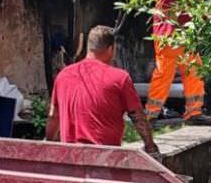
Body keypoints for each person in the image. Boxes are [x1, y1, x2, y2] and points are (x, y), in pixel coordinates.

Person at [46, 25, 159, 154]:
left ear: (89, 48)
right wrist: (150, 145)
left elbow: (53, 116)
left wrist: (49, 143)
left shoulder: (64, 75)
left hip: (71, 157)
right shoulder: (120, 78)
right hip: (104, 159)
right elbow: (137, 116)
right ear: (111, 49)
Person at [144, 0, 211, 125]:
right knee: (164, 74)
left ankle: (194, 113)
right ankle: (150, 114)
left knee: (194, 71)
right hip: (167, 33)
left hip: (185, 34)